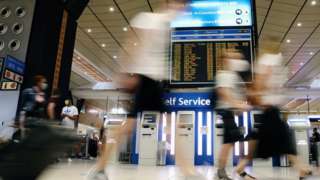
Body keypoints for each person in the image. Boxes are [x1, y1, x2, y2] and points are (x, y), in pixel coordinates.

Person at [234, 53, 313, 180]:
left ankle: (240, 169)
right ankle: (302, 169)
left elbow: (267, 90)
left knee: (266, 143)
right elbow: (258, 87)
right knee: (282, 141)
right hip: (270, 111)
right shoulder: (266, 63)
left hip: (272, 111)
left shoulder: (273, 64)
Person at [214, 50, 250, 180]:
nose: (235, 60)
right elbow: (224, 92)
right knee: (235, 139)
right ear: (225, 61)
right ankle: (234, 170)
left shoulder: (232, 75)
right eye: (231, 58)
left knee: (229, 142)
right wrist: (238, 104)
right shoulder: (224, 74)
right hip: (226, 112)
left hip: (229, 112)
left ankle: (222, 171)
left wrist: (239, 105)